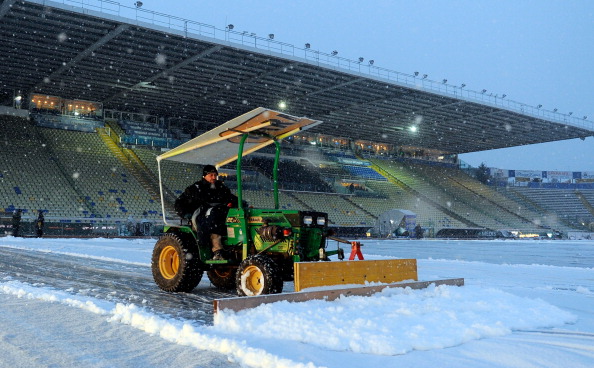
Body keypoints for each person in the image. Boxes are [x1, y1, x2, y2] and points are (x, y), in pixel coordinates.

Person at [175, 165, 238, 260]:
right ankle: (217, 250)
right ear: (204, 176)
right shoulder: (195, 188)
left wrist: (242, 204)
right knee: (214, 219)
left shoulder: (221, 188)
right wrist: (184, 214)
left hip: (219, 212)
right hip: (201, 214)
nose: (213, 177)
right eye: (211, 175)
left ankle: (234, 246)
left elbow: (231, 198)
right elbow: (179, 202)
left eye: (215, 175)